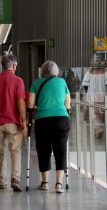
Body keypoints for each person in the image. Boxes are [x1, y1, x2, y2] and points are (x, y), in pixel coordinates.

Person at [27, 61, 71, 193]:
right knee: (61, 149)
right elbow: (68, 103)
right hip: (61, 119)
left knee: (43, 149)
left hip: (43, 120)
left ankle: (45, 183)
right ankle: (58, 184)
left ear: (43, 71)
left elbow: (30, 103)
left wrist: (34, 107)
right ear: (56, 71)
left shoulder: (36, 83)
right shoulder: (62, 82)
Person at [0, 54, 27, 191]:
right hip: (13, 121)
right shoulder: (18, 81)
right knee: (15, 150)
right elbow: (20, 102)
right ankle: (15, 178)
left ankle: (1, 181)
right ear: (14, 65)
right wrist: (24, 120)